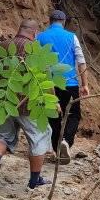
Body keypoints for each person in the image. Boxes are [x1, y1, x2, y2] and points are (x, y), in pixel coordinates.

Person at [0, 20, 53, 190]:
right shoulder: (36, 51)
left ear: (19, 30)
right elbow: (45, 80)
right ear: (35, 34)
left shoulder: (3, 46)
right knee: (39, 137)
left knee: (1, 135)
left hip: (4, 101)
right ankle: (34, 180)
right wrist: (51, 101)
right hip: (29, 104)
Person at [37, 9, 89, 164]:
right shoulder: (71, 37)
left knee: (53, 117)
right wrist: (85, 84)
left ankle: (56, 148)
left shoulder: (40, 37)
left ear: (49, 21)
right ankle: (66, 141)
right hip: (70, 83)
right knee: (74, 115)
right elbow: (81, 61)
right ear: (64, 22)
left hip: (48, 84)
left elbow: (37, 63)